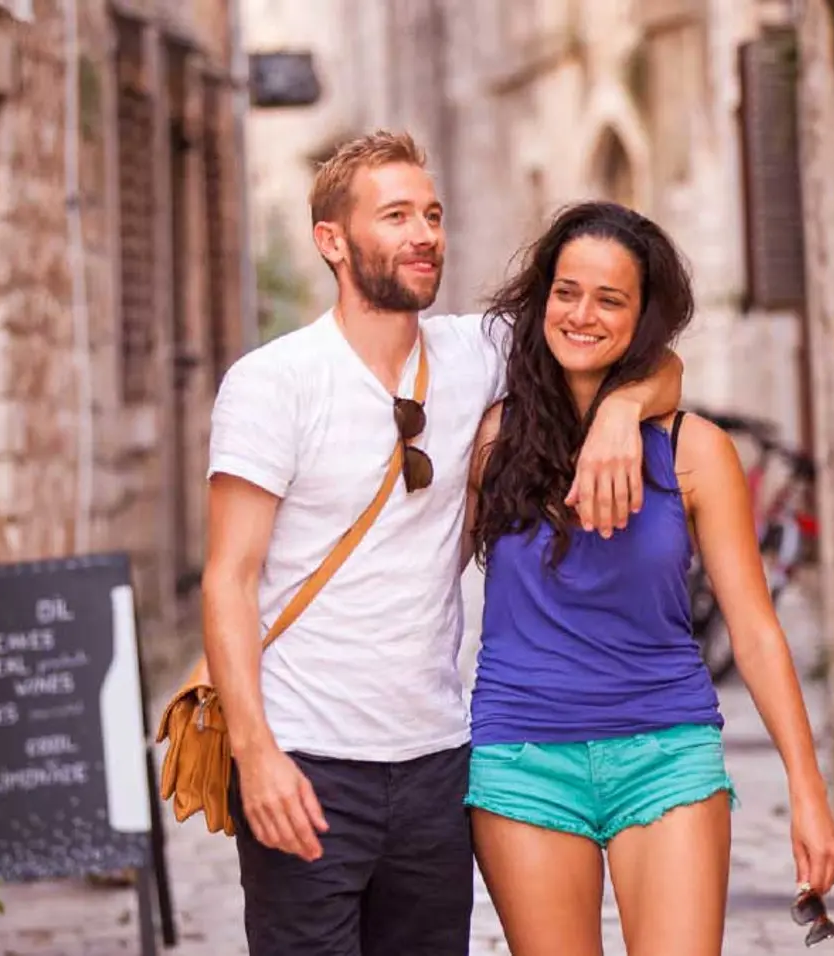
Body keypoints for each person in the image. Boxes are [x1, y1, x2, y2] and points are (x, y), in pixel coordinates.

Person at [200, 131, 683, 956]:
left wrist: (615, 414)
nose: (424, 234)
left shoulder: (477, 352)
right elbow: (227, 580)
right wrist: (257, 753)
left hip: (434, 764)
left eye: (432, 214)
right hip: (306, 756)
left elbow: (644, 356)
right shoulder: (274, 382)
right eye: (395, 216)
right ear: (332, 241)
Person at [463, 200, 834, 955]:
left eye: (611, 299)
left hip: (667, 756)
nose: (582, 314)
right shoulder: (489, 440)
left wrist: (808, 791)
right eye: (567, 292)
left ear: (642, 320)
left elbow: (756, 629)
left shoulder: (697, 451)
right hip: (521, 760)